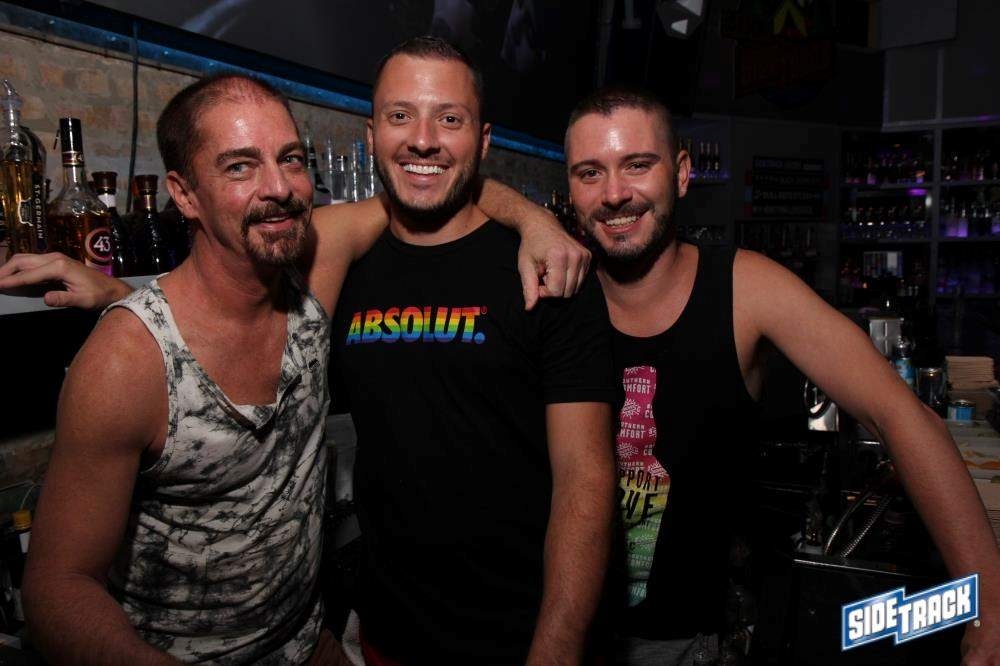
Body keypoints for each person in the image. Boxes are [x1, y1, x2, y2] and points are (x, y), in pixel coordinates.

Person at [12, 71, 589, 664]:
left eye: (289, 159)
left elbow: (430, 180)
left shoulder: (314, 272)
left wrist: (536, 222)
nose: (278, 188)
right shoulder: (123, 362)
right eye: (239, 166)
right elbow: (56, 589)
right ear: (184, 195)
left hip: (310, 644)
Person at [562, 87, 1000, 665]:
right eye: (590, 173)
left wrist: (989, 608)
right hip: (557, 630)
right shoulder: (556, 289)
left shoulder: (746, 289)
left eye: (637, 165)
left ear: (682, 173)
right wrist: (524, 218)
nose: (615, 193)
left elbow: (902, 416)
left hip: (688, 645)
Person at [330, 37, 617, 664]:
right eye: (400, 115)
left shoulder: (547, 271)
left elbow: (586, 480)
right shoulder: (342, 264)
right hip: (386, 635)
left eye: (449, 119)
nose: (423, 140)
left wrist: (557, 649)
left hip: (517, 639)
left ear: (483, 141)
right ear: (371, 134)